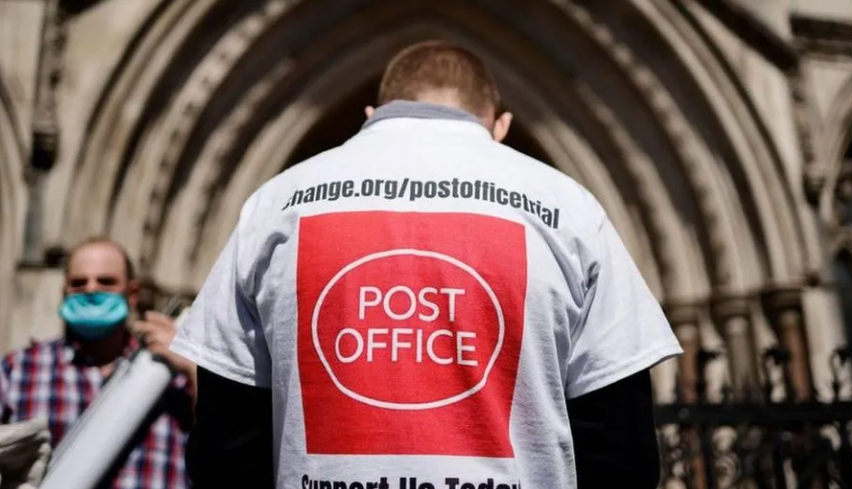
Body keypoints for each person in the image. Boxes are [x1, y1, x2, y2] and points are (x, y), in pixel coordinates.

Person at [172, 40, 683, 488]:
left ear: (371, 116)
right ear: (500, 126)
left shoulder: (276, 204)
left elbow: (226, 440)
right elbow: (622, 450)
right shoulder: (568, 208)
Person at [0, 237, 194, 488]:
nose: (91, 290)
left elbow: (231, 441)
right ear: (64, 292)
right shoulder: (18, 371)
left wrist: (193, 368)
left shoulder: (174, 374)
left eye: (106, 282)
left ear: (132, 294)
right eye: (79, 283)